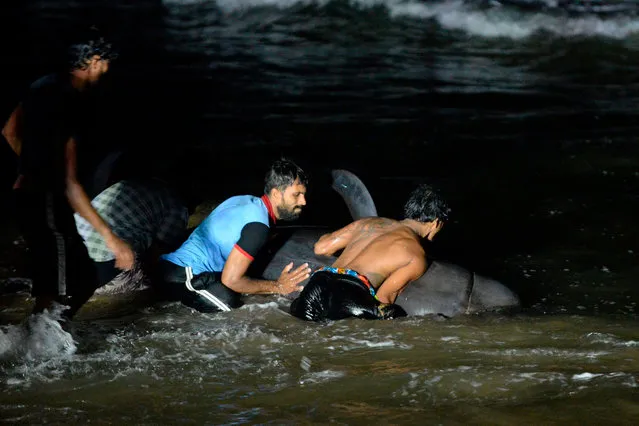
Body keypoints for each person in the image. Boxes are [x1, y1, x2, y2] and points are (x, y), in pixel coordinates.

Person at [2, 33, 135, 320]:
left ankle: (44, 338)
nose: (109, 71)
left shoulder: (41, 85)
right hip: (47, 202)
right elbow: (70, 184)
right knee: (58, 293)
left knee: (74, 278)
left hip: (24, 196)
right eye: (107, 63)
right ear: (95, 62)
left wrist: (33, 164)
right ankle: (42, 349)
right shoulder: (70, 103)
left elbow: (9, 131)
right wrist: (112, 239)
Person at [156, 158, 312, 313]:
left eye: (303, 195)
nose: (303, 201)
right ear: (276, 194)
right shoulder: (258, 227)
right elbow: (231, 280)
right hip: (185, 276)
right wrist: (278, 287)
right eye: (296, 195)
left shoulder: (243, 200)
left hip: (168, 268)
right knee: (232, 306)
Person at [290, 183, 449, 321]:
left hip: (317, 283)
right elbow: (384, 297)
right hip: (349, 295)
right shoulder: (416, 254)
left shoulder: (369, 223)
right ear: (436, 223)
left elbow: (321, 247)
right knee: (392, 313)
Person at [74, 177, 191, 291]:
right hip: (107, 259)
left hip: (75, 250)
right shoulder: (177, 206)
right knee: (157, 276)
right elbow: (158, 252)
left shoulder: (127, 182)